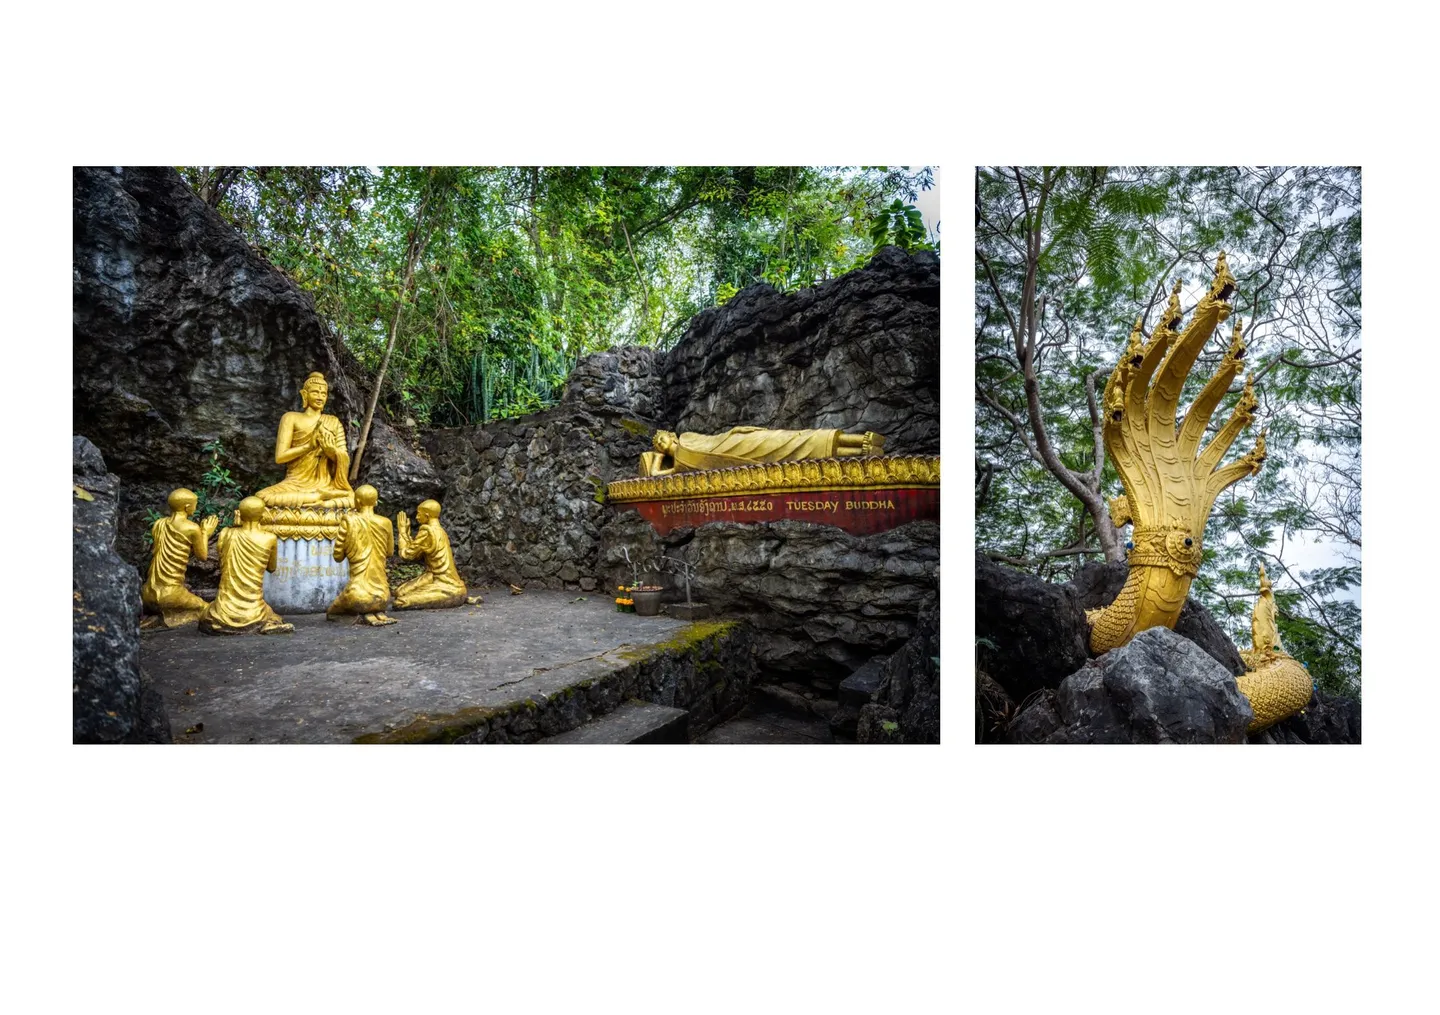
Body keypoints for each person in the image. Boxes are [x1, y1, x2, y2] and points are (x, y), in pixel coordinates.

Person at [254, 372, 355, 508]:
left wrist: (330, 451)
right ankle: (319, 498)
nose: (320, 397)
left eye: (323, 394)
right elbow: (280, 457)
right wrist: (308, 446)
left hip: (326, 484)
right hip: (294, 484)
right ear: (304, 394)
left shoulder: (333, 422)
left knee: (354, 499)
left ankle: (318, 501)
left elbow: (344, 459)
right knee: (261, 497)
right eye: (315, 393)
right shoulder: (291, 418)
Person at [199, 497, 293, 635]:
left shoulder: (226, 533)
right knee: (273, 617)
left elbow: (222, 559)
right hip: (254, 610)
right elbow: (271, 568)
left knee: (205, 613)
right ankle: (265, 625)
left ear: (239, 514)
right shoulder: (269, 538)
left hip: (221, 612)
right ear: (263, 514)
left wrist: (235, 527)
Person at [638, 426, 885, 476]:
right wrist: (658, 461)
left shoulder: (689, 438)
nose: (660, 444)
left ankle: (859, 440)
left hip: (734, 442)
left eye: (661, 439)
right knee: (792, 454)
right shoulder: (680, 465)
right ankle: (860, 454)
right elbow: (657, 476)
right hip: (735, 460)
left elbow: (712, 441)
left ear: (671, 435)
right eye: (657, 445)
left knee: (785, 438)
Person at [140, 488, 217, 628]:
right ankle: (166, 613)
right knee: (210, 610)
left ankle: (160, 616)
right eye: (195, 504)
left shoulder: (159, 524)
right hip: (171, 594)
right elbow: (202, 556)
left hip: (148, 592)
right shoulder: (192, 528)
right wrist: (205, 532)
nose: (196, 507)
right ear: (187, 507)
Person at [327, 485, 397, 625]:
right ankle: (375, 612)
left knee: (332, 612)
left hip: (357, 595)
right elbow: (389, 552)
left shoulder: (349, 520)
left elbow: (337, 556)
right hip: (383, 596)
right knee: (372, 600)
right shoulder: (386, 522)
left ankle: (362, 613)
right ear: (376, 502)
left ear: (357, 501)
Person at [393, 500, 467, 610]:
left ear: (427, 516)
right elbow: (416, 554)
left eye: (419, 514)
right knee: (400, 592)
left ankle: (453, 596)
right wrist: (407, 536)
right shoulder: (440, 530)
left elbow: (407, 555)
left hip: (446, 583)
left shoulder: (427, 531)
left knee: (401, 602)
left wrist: (402, 532)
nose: (417, 517)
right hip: (432, 576)